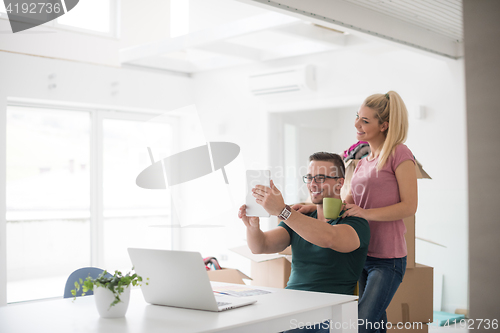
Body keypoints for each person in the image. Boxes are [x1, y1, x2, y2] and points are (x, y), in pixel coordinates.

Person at [294, 91, 417, 333]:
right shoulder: (362, 161)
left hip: (387, 259)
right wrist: (311, 206)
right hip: (361, 254)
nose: (357, 124)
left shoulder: (399, 154)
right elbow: (347, 202)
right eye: (357, 117)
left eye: (365, 121)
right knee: (374, 322)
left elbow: (409, 206)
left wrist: (365, 213)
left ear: (385, 125)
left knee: (360, 324)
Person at [238, 152, 370, 333]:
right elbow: (261, 245)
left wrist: (283, 211)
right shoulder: (300, 218)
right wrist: (252, 226)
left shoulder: (355, 223)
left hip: (329, 314)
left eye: (320, 178)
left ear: (339, 183)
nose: (313, 184)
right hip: (290, 307)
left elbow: (329, 238)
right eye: (309, 178)